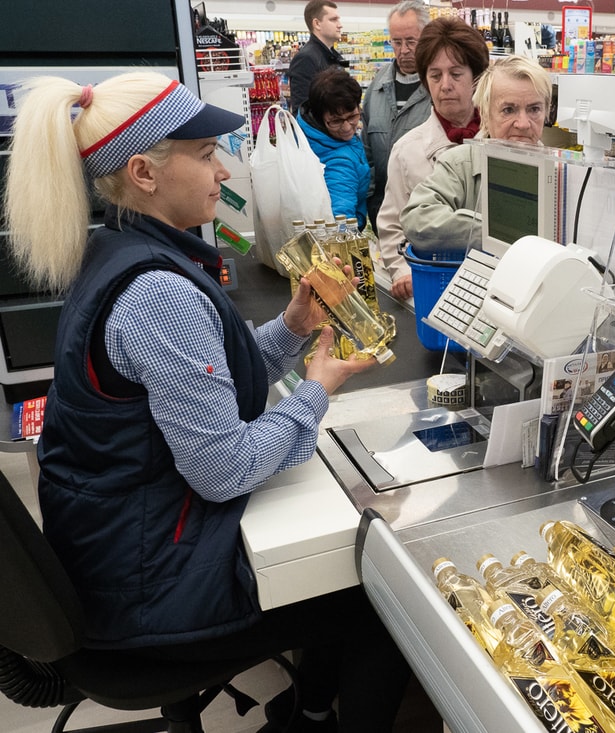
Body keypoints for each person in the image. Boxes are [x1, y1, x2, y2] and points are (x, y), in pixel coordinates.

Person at [2, 71, 409, 733]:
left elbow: (199, 373)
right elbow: (224, 469)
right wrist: (318, 389)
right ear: (143, 171)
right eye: (204, 154)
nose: (222, 170)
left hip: (114, 554)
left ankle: (303, 708)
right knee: (378, 599)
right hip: (143, 594)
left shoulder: (118, 250)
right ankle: (313, 717)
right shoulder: (158, 294)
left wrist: (292, 328)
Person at [375, 17, 490, 300]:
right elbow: (392, 226)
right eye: (435, 75)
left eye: (456, 73)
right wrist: (401, 271)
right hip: (433, 282)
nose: (445, 85)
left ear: (476, 78)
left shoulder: (500, 145)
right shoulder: (407, 150)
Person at [402, 55, 552, 254]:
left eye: (534, 109)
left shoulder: (562, 173)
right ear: (486, 114)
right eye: (508, 110)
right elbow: (416, 218)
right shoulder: (459, 164)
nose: (523, 123)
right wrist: (493, 232)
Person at [360, 0, 433, 229]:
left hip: (425, 211)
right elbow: (366, 150)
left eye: (411, 41)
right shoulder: (378, 85)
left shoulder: (439, 87)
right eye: (397, 42)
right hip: (381, 210)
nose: (404, 50)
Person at [298, 67, 371, 228]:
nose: (346, 128)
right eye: (336, 121)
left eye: (352, 116)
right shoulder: (339, 162)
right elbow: (341, 221)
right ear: (319, 118)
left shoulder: (306, 134)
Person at [288, 0, 346, 115]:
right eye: (333, 19)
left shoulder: (335, 57)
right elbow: (303, 111)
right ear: (317, 24)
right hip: (320, 132)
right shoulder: (306, 59)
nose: (340, 25)